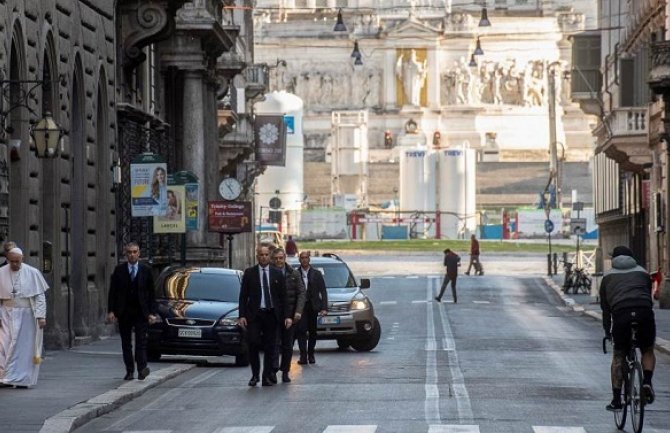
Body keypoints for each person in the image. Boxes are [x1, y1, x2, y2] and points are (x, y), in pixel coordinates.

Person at [600, 245, 657, 410]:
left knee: (619, 355)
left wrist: (607, 331)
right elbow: (648, 295)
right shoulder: (643, 272)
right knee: (647, 349)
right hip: (643, 312)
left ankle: (617, 400)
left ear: (613, 260)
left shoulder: (607, 277)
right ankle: (646, 381)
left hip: (621, 314)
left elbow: (606, 309)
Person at [239, 245, 291, 387]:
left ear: (270, 256)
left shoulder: (277, 273)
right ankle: (255, 374)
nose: (264, 257)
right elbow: (243, 296)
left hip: (271, 314)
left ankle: (265, 375)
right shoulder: (250, 273)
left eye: (266, 254)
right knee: (253, 343)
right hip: (255, 315)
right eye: (261, 255)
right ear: (257, 256)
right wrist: (242, 315)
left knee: (270, 346)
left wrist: (287, 316)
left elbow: (283, 297)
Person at [0, 247, 49, 388]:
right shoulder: (1, 273)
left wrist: (41, 316)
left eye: (17, 261)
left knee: (24, 348)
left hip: (26, 315)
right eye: (12, 261)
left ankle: (22, 379)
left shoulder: (32, 273)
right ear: (8, 260)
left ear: (22, 259)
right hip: (6, 313)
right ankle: (4, 377)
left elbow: (39, 297)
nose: (15, 264)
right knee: (4, 345)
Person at [107, 242, 157, 381]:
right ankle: (129, 371)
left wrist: (152, 313)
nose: (132, 254)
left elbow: (151, 294)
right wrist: (111, 311)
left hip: (141, 312)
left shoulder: (146, 270)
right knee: (126, 343)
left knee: (141, 342)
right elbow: (113, 292)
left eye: (135, 252)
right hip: (124, 312)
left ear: (139, 253)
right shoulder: (119, 270)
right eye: (129, 252)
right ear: (125, 254)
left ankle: (142, 369)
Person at [270, 248, 305, 383]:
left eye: (281, 258)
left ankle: (285, 371)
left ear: (284, 258)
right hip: (274, 315)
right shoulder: (270, 273)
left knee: (287, 346)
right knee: (274, 345)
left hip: (290, 316)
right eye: (276, 258)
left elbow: (302, 293)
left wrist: (298, 311)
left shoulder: (293, 274)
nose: (279, 261)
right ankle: (273, 370)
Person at [295, 251, 328, 365]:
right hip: (301, 306)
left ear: (309, 259)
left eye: (306, 258)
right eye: (302, 258)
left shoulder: (316, 274)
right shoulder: (295, 273)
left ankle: (311, 354)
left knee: (313, 331)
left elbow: (323, 291)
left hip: (313, 306)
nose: (304, 260)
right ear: (299, 260)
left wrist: (324, 307)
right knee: (301, 330)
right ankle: (303, 355)